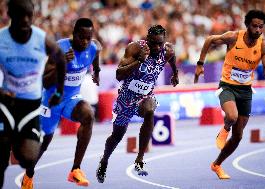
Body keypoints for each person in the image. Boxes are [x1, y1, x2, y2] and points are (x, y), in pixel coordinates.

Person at [194, 10, 265, 179]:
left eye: (261, 27)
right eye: (255, 26)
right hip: (227, 86)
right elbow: (210, 39)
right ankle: (224, 129)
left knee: (238, 136)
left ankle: (216, 164)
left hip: (246, 91)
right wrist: (200, 64)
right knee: (231, 117)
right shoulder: (233, 37)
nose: (258, 30)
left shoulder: (263, 45)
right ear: (247, 25)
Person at [22, 18, 101, 188]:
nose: (85, 42)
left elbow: (96, 52)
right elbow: (45, 81)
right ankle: (29, 173)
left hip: (72, 99)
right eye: (81, 37)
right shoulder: (60, 48)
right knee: (44, 144)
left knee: (89, 114)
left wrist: (98, 72)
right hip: (52, 101)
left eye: (89, 38)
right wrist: (61, 64)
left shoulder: (93, 47)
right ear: (74, 34)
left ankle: (75, 170)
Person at [96, 24, 179, 183]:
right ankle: (104, 159)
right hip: (126, 97)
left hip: (145, 96)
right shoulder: (134, 48)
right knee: (117, 136)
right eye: (153, 43)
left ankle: (139, 160)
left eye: (159, 44)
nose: (156, 47)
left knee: (150, 109)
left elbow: (172, 58)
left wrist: (175, 74)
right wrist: (139, 61)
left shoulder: (167, 51)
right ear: (147, 39)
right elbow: (119, 75)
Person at [0, 0, 66, 188]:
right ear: (10, 16)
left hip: (30, 105)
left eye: (30, 16)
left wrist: (59, 92)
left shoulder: (42, 39)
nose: (26, 20)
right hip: (6, 103)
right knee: (1, 161)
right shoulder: (1, 40)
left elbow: (60, 59)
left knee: (28, 159)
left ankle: (18, 140)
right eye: (21, 16)